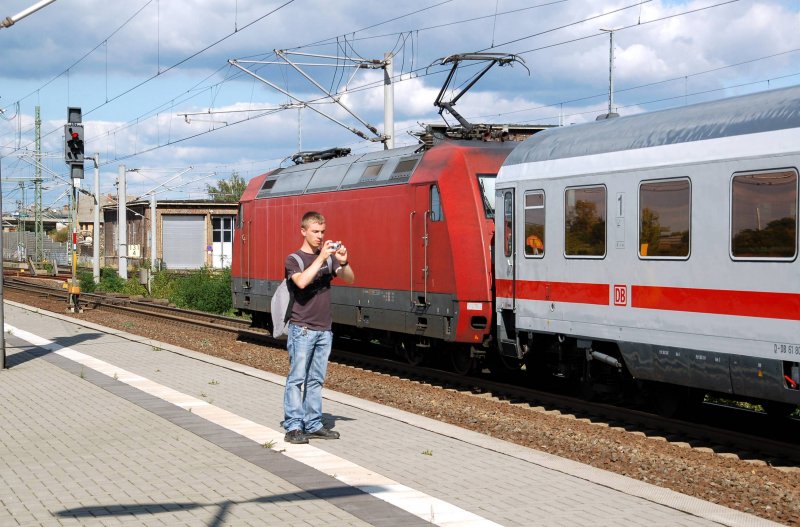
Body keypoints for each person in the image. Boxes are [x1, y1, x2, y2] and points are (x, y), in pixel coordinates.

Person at [283, 211, 355, 445]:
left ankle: (313, 423)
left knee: (316, 380)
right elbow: (302, 281)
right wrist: (321, 258)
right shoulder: (294, 259)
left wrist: (343, 262)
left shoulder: (329, 258)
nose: (320, 236)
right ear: (303, 231)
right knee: (297, 378)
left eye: (322, 232)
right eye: (315, 232)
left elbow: (350, 278)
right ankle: (294, 426)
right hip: (302, 328)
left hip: (325, 329)